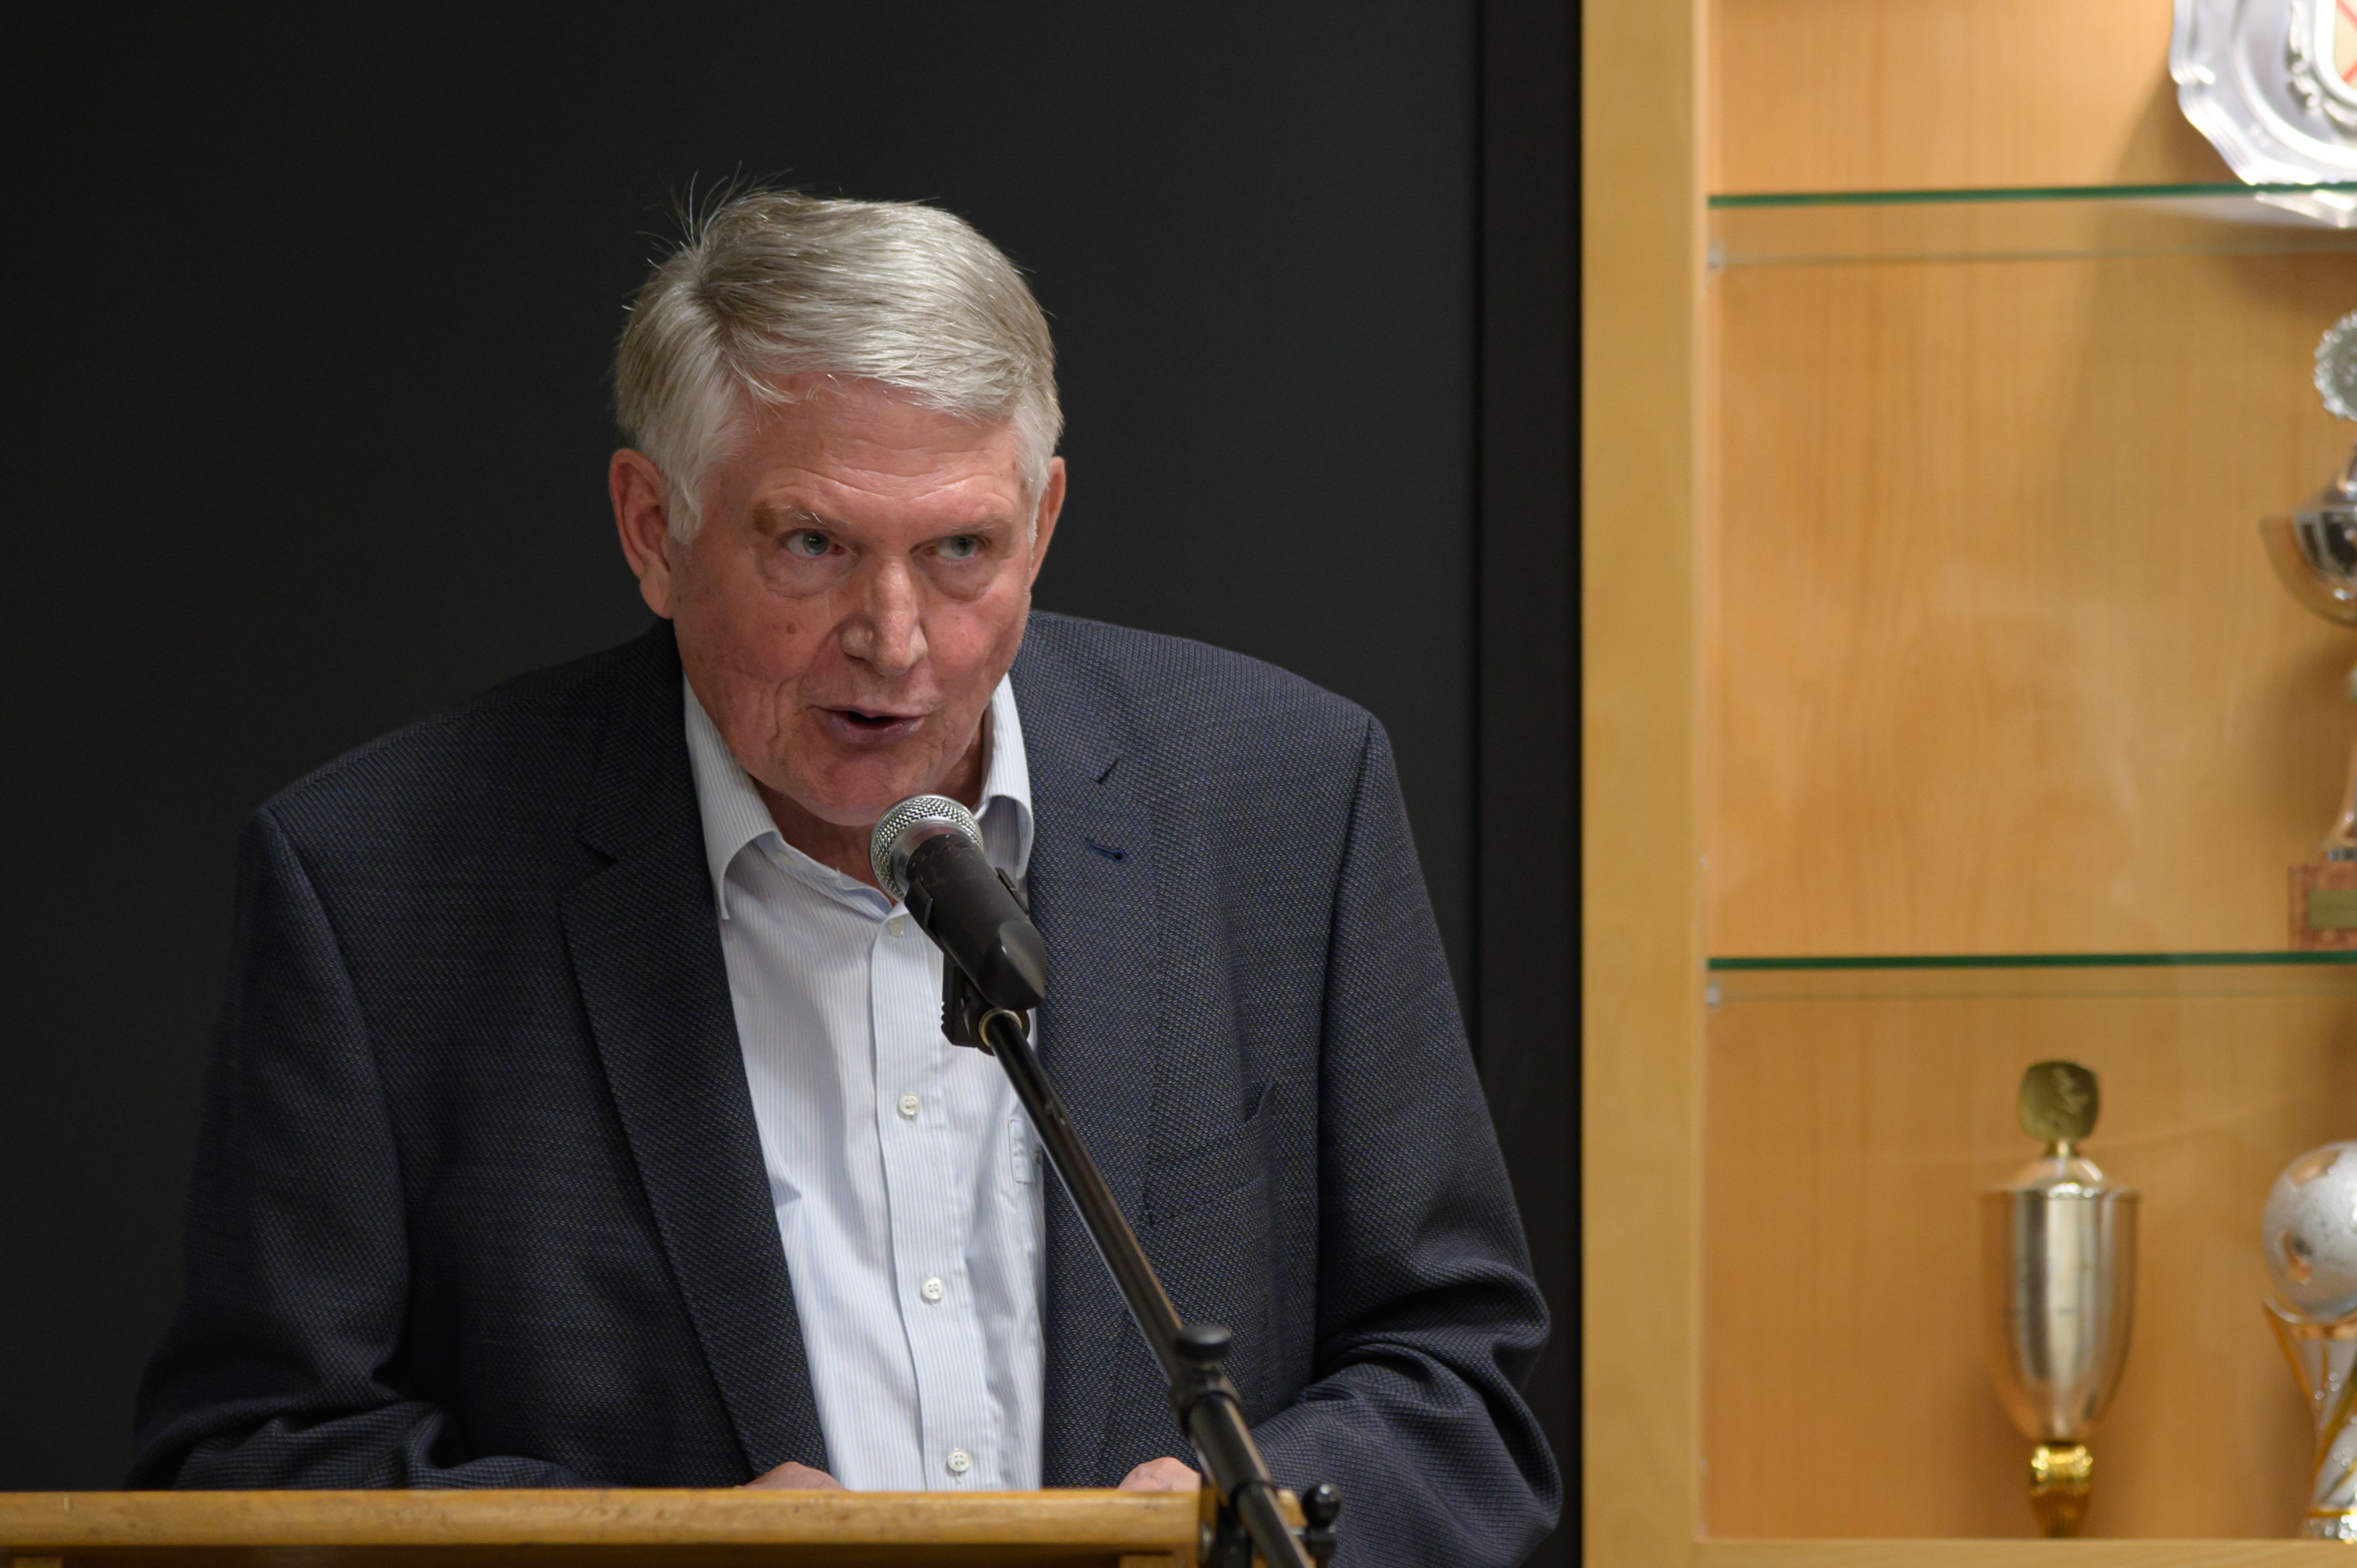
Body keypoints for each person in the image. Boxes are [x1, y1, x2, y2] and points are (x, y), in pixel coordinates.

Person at [130, 190, 1559, 1565]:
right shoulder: (378, 885)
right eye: (813, 545)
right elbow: (253, 1458)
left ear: (1044, 522)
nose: (895, 637)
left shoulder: (1285, 801)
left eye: (961, 550)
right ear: (653, 529)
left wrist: (1244, 1533)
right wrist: (661, 1562)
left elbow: (1458, 1380)